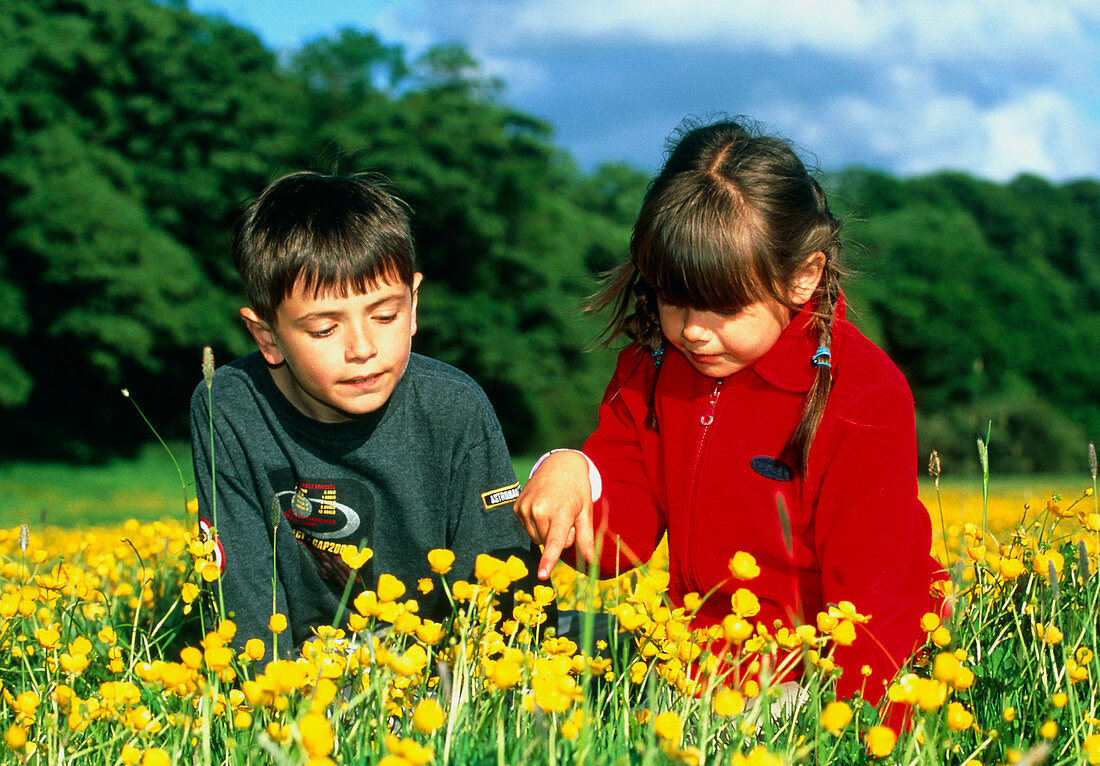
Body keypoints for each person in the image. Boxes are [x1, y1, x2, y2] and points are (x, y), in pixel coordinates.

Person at [514, 118, 941, 707]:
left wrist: (862, 730)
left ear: (803, 276)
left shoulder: (863, 394)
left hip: (830, 677)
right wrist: (569, 473)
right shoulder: (649, 367)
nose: (692, 330)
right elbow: (618, 544)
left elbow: (879, 592)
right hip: (699, 671)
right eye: (673, 298)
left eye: (723, 307)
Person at [191, 171, 545, 660]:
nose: (363, 349)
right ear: (267, 336)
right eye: (322, 329)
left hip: (438, 672)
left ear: (414, 304)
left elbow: (501, 589)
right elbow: (242, 592)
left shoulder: (454, 406)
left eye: (385, 317)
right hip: (303, 678)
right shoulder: (228, 405)